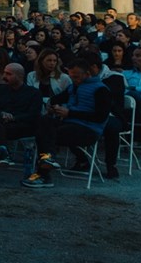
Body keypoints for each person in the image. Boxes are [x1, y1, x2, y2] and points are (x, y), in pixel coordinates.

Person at [22, 59, 112, 188]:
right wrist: (53, 106)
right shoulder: (74, 86)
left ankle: (44, 172)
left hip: (88, 129)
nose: (73, 79)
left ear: (87, 74)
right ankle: (47, 161)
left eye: (76, 76)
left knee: (47, 133)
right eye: (71, 76)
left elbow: (100, 117)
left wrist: (70, 113)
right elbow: (56, 99)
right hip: (69, 124)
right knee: (43, 122)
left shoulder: (101, 90)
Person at [0, 63, 42, 185]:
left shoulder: (33, 93)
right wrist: (2, 114)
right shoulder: (0, 90)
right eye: (4, 73)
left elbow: (33, 115)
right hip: (2, 125)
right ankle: (2, 151)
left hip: (22, 126)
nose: (4, 77)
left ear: (19, 76)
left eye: (8, 74)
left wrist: (13, 118)